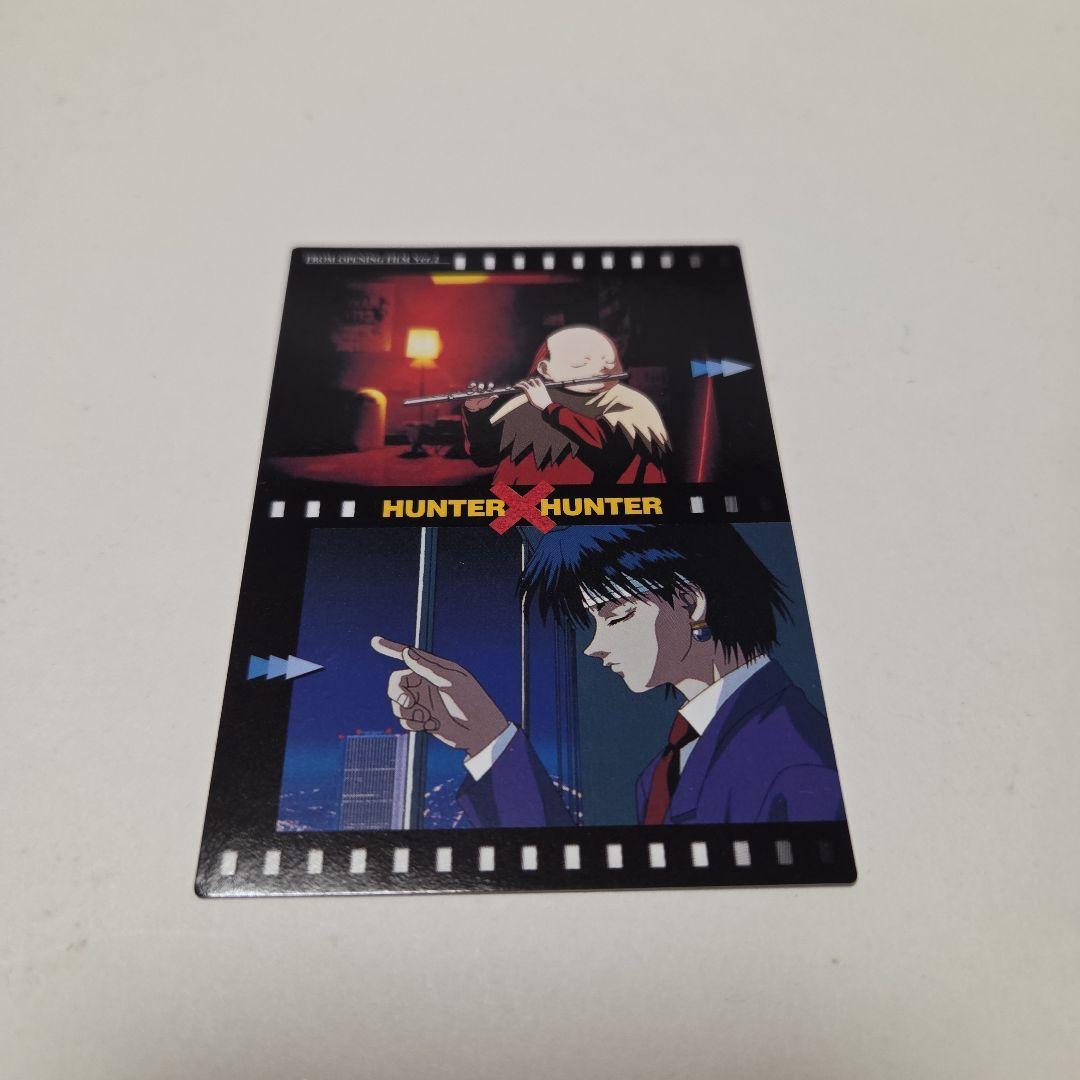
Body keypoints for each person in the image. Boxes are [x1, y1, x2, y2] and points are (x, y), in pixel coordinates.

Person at [371, 524, 844, 827]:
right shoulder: (667, 767)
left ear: (690, 601)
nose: (594, 646)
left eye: (616, 615)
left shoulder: (795, 762)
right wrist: (483, 735)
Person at [461, 325, 670, 485]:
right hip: (524, 515)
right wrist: (475, 412)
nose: (602, 368)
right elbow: (484, 456)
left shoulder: (631, 404)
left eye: (609, 362)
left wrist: (550, 408)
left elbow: (608, 452)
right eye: (582, 362)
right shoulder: (529, 401)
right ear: (546, 369)